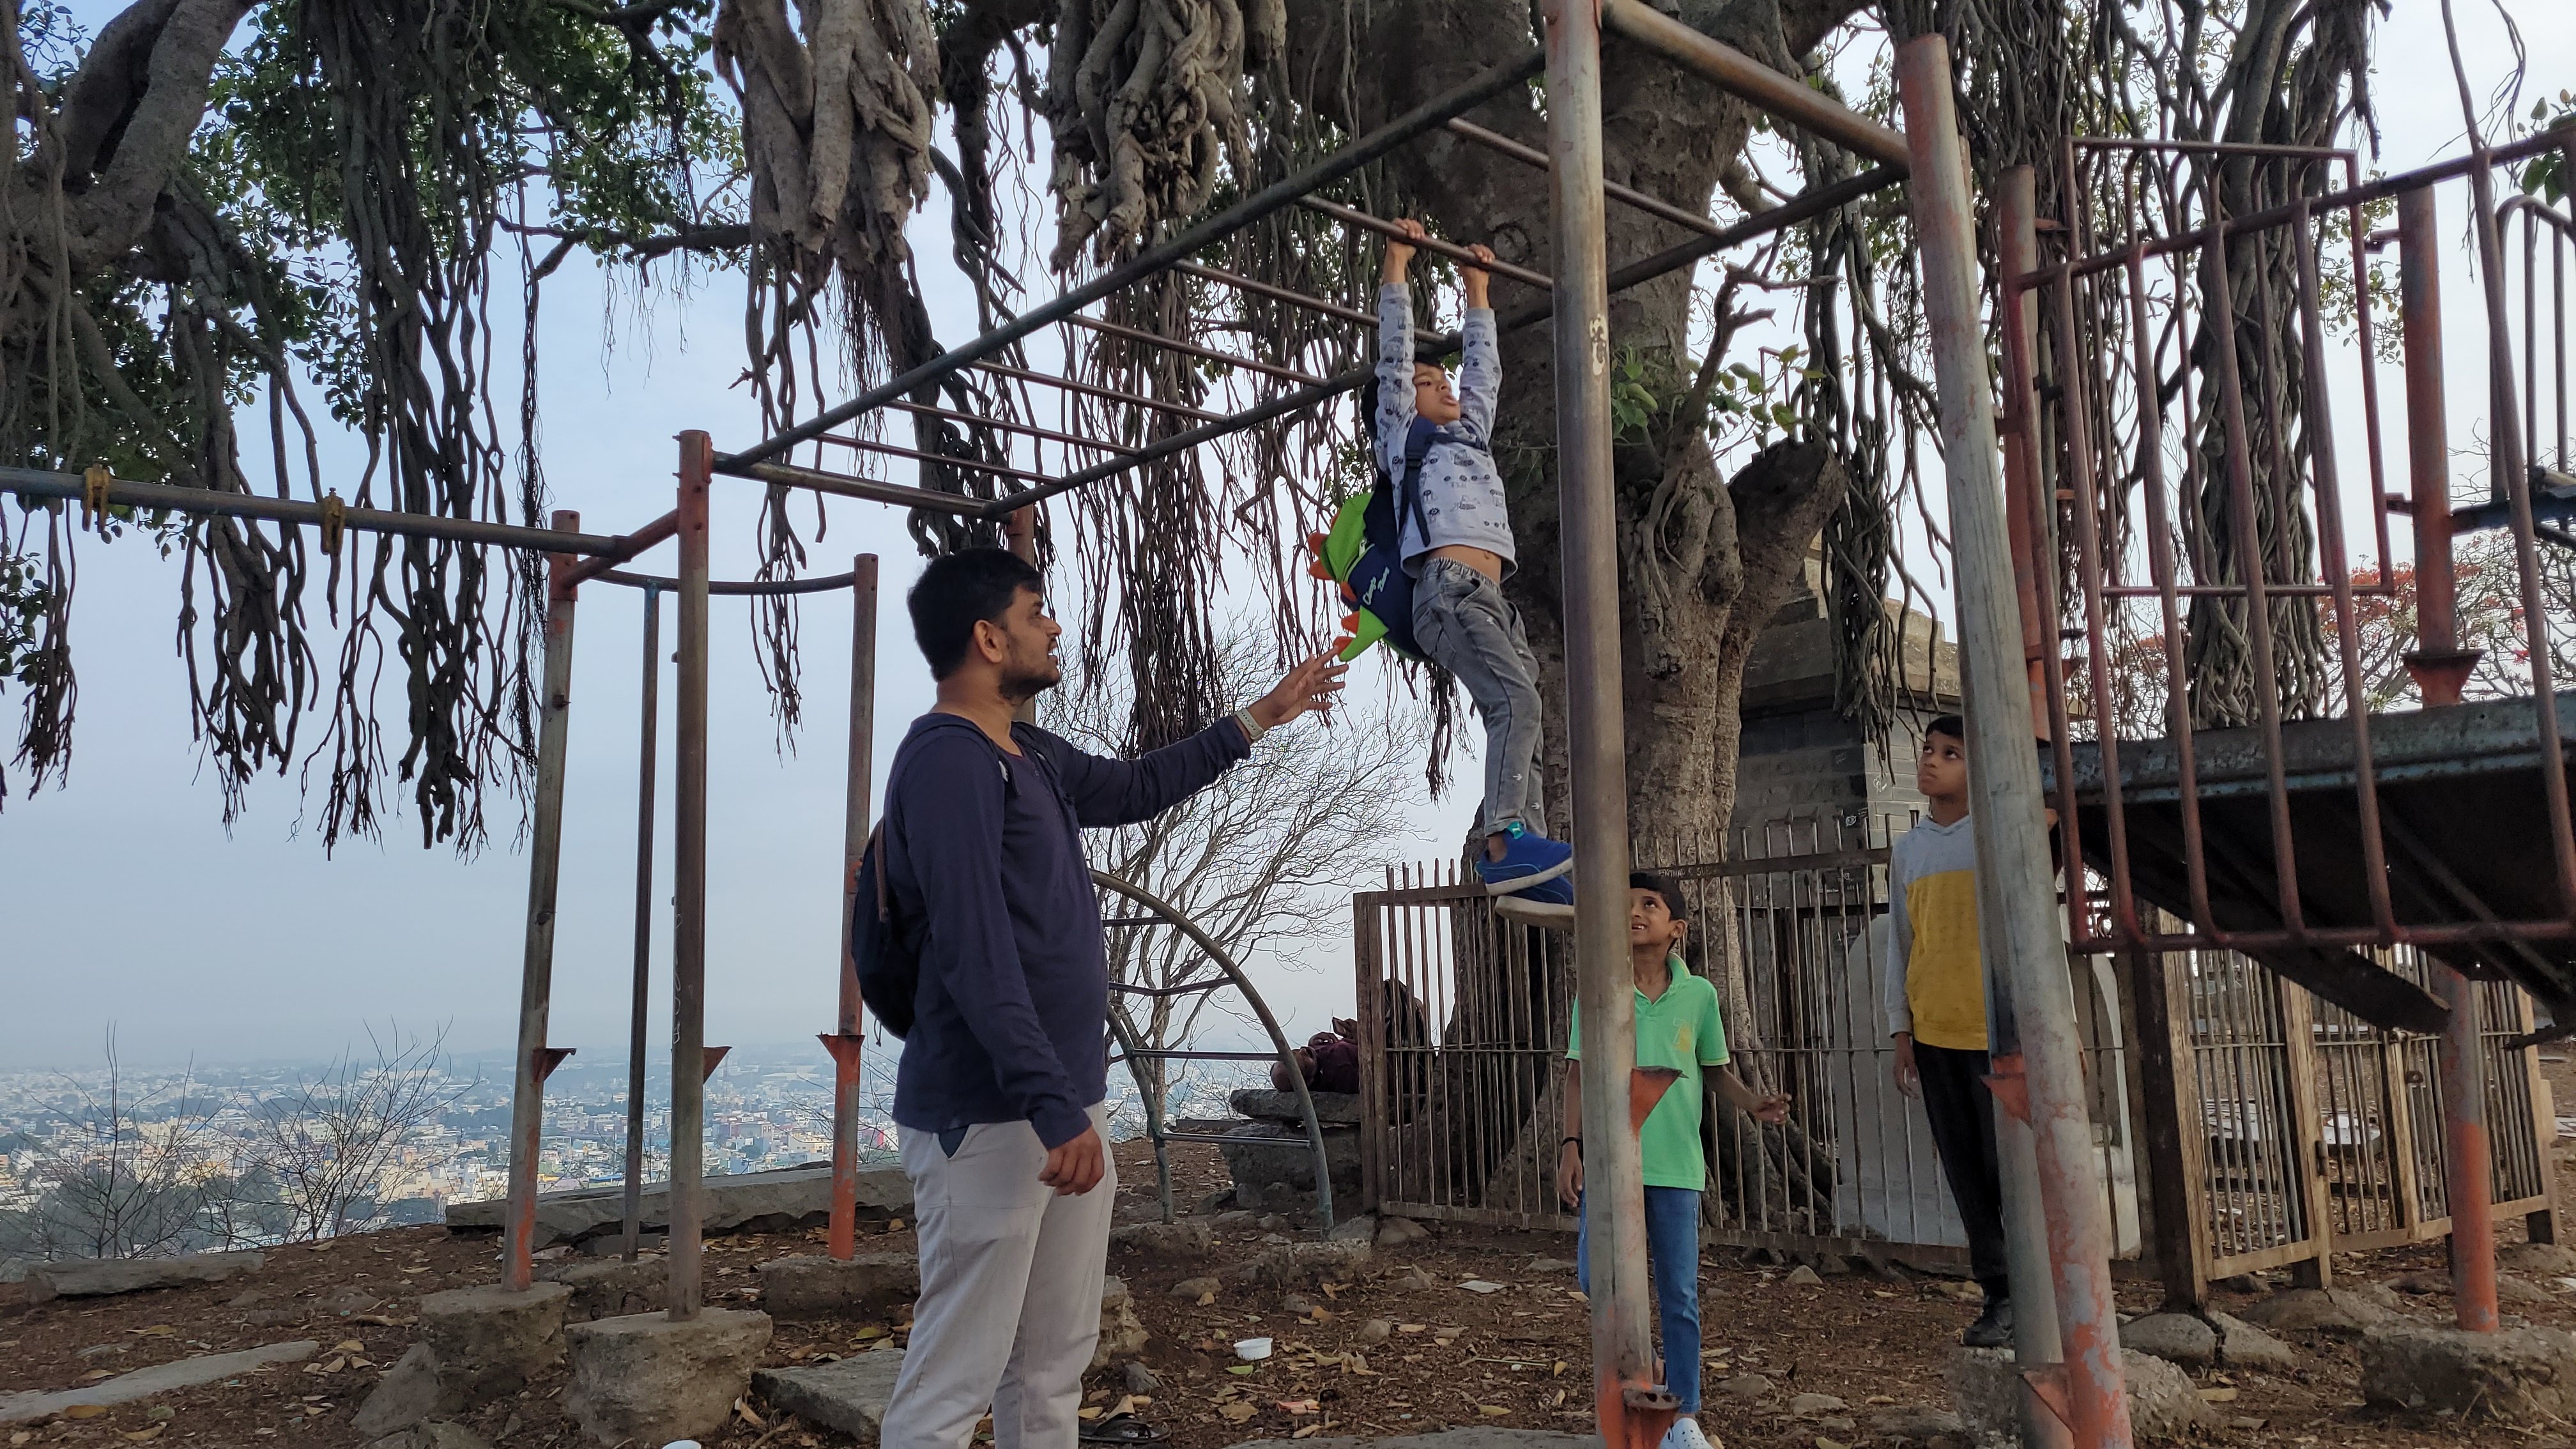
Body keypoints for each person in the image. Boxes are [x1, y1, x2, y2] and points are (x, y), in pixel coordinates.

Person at [877, 545, 1346, 1448]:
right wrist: (1052, 1108)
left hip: (1059, 1109)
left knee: (1052, 1363)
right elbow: (977, 952)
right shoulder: (949, 763)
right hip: (992, 1116)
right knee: (955, 1378)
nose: (1054, 627)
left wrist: (1260, 718)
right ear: (987, 638)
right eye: (1035, 612)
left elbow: (1137, 786)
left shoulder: (1031, 753)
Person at [1376, 217, 1573, 920]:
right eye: (1432, 383)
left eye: (1443, 378)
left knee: (1531, 712)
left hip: (1491, 598)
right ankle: (1504, 841)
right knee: (1515, 703)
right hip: (1449, 593)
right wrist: (1398, 265)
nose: (1444, 388)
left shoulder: (1472, 434)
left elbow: (1483, 370)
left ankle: (1528, 858)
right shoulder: (1407, 443)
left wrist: (1477, 286)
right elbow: (1394, 363)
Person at [1556, 873, 1790, 1449]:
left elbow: (1713, 1069)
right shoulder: (1598, 990)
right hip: (1611, 1169)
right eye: (1627, 904)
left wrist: (1752, 1103)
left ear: (1676, 929)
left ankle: (1684, 1414)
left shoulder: (1701, 995)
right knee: (1595, 1275)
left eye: (1649, 905)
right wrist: (1570, 1147)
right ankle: (1646, 1371)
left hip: (1676, 1167)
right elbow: (1577, 1072)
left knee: (1679, 1294)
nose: (1635, 912)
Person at [1883, 714, 2012, 1349]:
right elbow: (1900, 945)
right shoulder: (1907, 851)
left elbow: (2038, 936)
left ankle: (2038, 1288)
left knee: (2008, 1167)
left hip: (1999, 1031)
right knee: (1964, 1170)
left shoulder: (1996, 838)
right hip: (1934, 1030)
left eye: (1951, 752)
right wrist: (1899, 1030)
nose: (1932, 761)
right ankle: (1998, 1294)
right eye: (1928, 750)